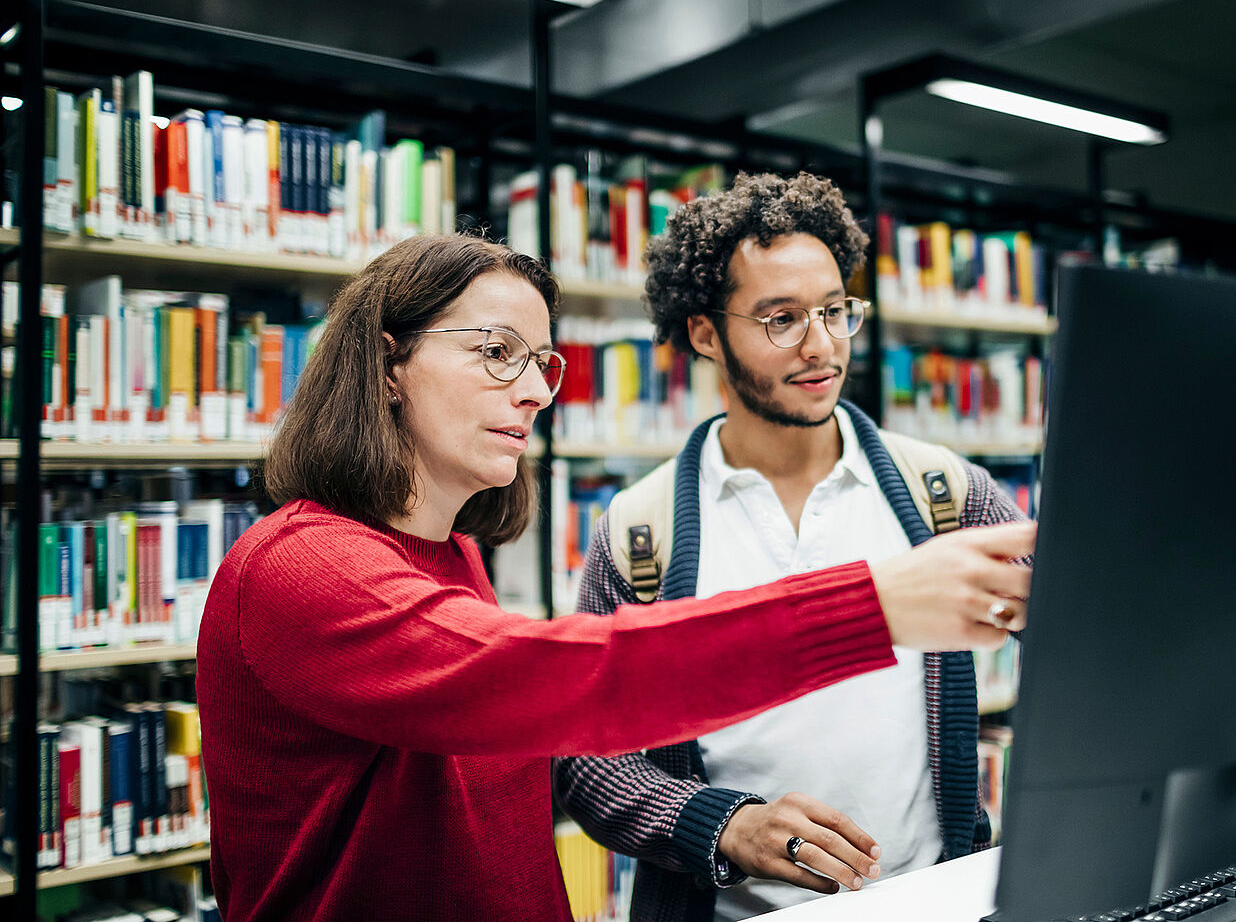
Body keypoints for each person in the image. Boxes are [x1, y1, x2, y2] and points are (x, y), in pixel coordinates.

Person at [194, 232, 1035, 922]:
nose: (533, 391)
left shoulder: (452, 557)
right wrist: (870, 607)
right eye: (497, 352)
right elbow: (560, 683)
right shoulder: (298, 568)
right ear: (386, 366)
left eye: (542, 364)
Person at [553, 172, 1034, 921]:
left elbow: (1084, 630)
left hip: (930, 903)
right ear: (705, 333)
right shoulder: (638, 534)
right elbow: (587, 760)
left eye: (835, 311)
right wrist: (728, 825)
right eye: (781, 319)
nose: (821, 346)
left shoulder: (945, 494)